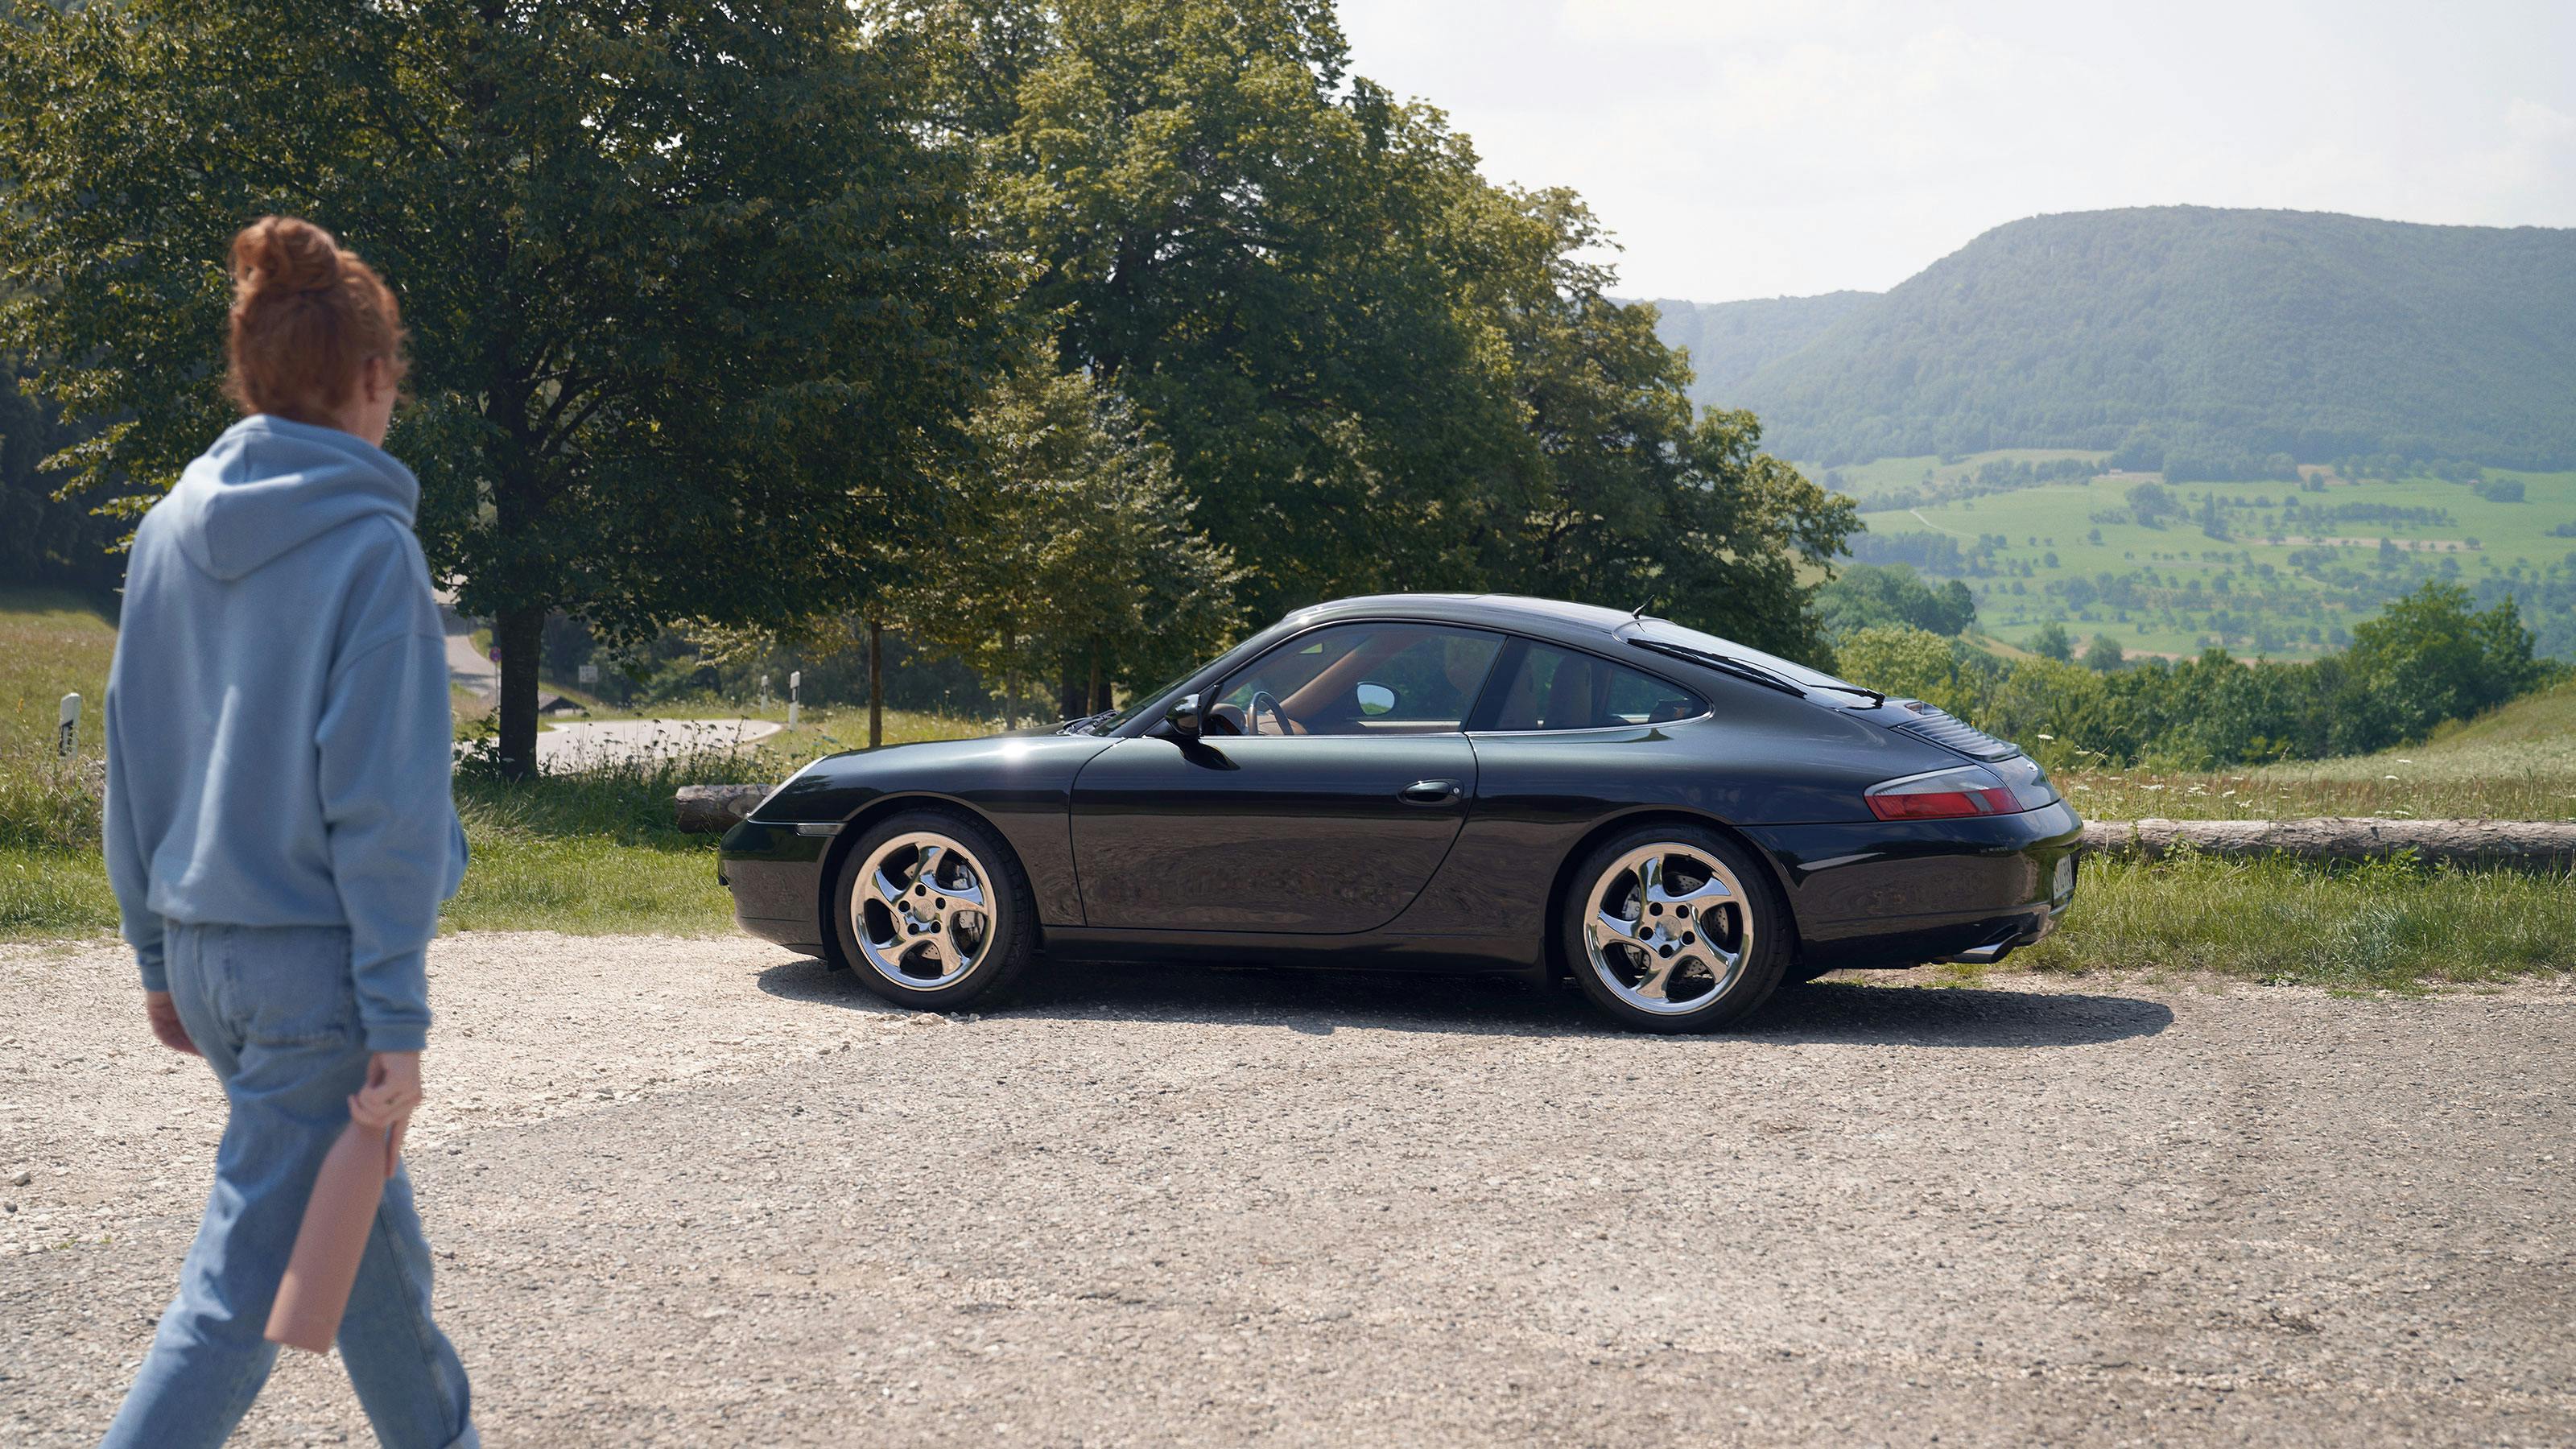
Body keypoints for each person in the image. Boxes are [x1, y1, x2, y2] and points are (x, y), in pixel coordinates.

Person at [98, 215, 477, 1448]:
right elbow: (387, 815)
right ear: (372, 380)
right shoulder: (373, 552)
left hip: (213, 956)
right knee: (244, 1292)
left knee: (362, 1256)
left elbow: (134, 761)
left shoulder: (165, 533)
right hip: (313, 971)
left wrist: (159, 958)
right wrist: (397, 1022)